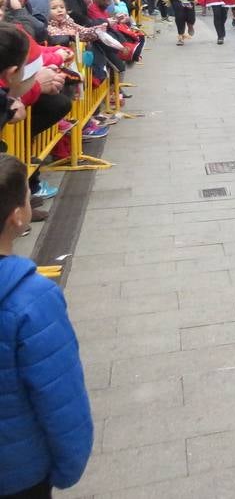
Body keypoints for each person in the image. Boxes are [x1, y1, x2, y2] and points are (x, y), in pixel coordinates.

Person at [0, 153, 93, 497]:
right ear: (18, 216)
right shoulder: (32, 298)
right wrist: (69, 464)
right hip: (19, 472)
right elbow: (59, 392)